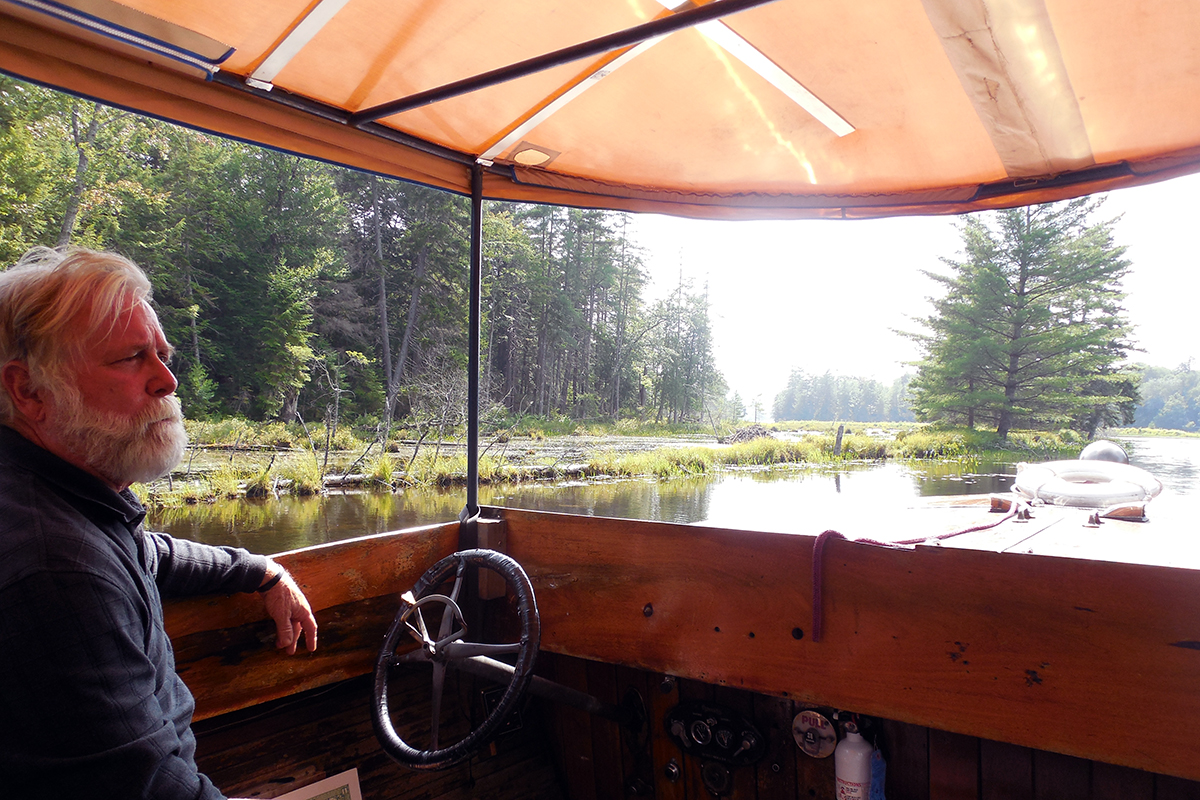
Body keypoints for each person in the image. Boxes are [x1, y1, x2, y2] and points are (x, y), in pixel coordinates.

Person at [0, 247, 319, 799]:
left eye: (162, 354)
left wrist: (258, 569)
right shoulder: (54, 570)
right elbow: (148, 790)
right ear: (28, 391)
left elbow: (146, 553)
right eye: (131, 358)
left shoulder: (62, 501)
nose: (167, 380)